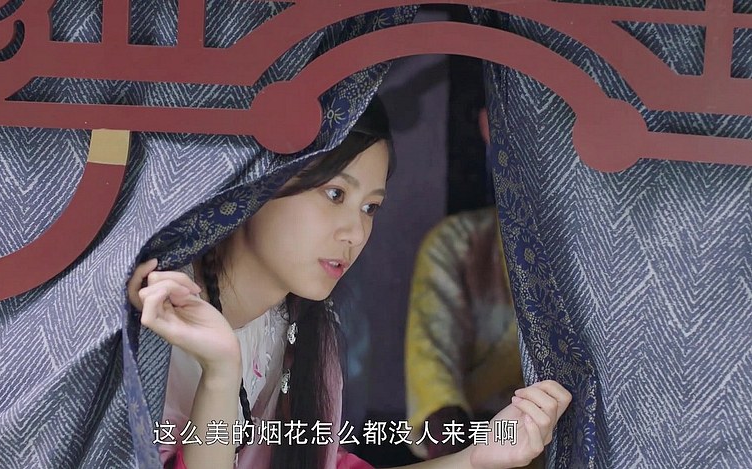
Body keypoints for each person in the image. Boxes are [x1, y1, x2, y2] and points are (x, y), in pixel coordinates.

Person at [127, 97, 571, 469]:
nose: (355, 234)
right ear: (260, 181)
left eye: (370, 208)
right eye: (335, 194)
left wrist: (476, 458)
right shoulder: (161, 310)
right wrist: (221, 375)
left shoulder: (303, 326)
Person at [405, 208, 533, 465]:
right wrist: (461, 459)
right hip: (477, 440)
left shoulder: (609, 262)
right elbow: (433, 374)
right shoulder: (458, 242)